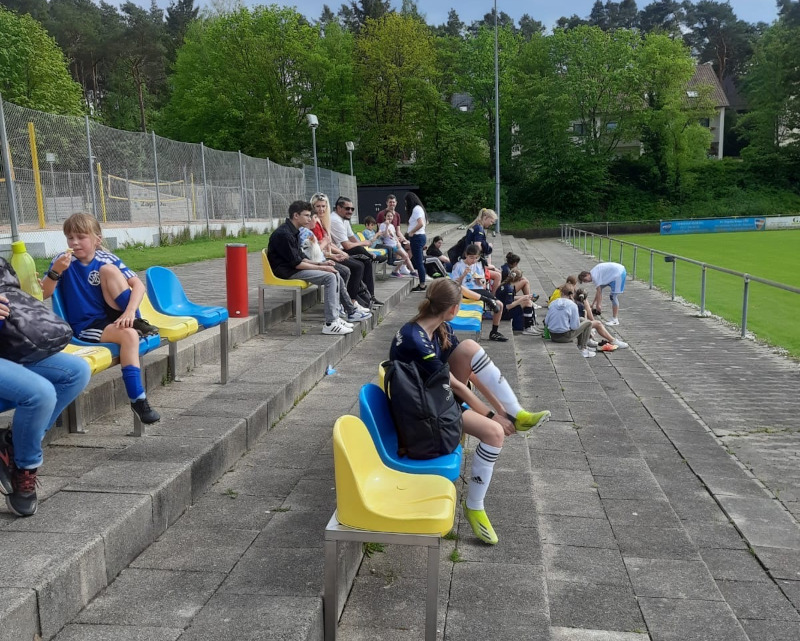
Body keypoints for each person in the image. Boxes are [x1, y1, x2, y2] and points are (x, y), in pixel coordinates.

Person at [389, 278, 551, 545]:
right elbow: (457, 389)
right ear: (453, 308)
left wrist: (504, 410)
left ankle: (518, 413)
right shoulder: (415, 341)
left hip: (434, 399)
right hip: (422, 414)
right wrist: (492, 417)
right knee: (494, 433)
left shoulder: (439, 327)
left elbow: (472, 375)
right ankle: (475, 506)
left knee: (469, 348)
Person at [42, 213, 161, 424]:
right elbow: (43, 293)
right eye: (70, 237)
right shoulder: (62, 261)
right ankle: (138, 400)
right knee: (130, 338)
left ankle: (135, 321)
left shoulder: (106, 259)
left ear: (97, 239)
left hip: (119, 314)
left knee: (109, 270)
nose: (74, 242)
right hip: (87, 325)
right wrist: (56, 271)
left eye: (81, 237)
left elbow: (138, 285)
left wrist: (130, 312)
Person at [0, 288, 91, 517]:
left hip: (6, 348)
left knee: (76, 371)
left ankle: (13, 444)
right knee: (40, 393)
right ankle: (25, 466)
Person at [267, 201, 354, 335]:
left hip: (294, 268)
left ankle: (335, 317)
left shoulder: (293, 231)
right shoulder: (284, 234)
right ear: (296, 215)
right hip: (286, 272)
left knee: (334, 273)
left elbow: (300, 257)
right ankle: (330, 323)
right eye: (307, 215)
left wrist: (322, 264)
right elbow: (296, 263)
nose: (309, 218)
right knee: (330, 276)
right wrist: (322, 269)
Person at [299, 212, 371, 325]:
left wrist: (331, 256)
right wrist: (323, 264)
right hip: (304, 266)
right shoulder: (302, 233)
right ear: (296, 216)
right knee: (336, 274)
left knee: (348, 269)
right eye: (312, 217)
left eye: (312, 217)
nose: (314, 219)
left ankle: (348, 307)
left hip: (318, 260)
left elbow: (314, 253)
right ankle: (336, 316)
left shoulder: (309, 231)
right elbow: (307, 257)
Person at [310, 194, 373, 315]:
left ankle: (358, 299)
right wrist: (335, 254)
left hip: (327, 255)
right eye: (318, 206)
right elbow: (316, 247)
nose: (321, 209)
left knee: (361, 263)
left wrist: (341, 252)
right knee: (352, 268)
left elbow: (329, 243)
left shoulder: (323, 221)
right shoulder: (314, 222)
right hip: (320, 258)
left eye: (323, 206)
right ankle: (349, 302)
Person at [330, 196, 383, 307]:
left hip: (341, 250)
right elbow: (347, 245)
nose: (350, 211)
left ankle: (369, 296)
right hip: (336, 253)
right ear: (339, 208)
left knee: (366, 261)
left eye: (352, 209)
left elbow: (352, 238)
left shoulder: (344, 219)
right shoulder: (335, 220)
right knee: (359, 265)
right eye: (347, 208)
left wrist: (363, 247)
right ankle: (353, 300)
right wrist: (363, 243)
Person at [451, 244, 507, 342]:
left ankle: (494, 332)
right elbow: (455, 284)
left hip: (478, 291)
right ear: (466, 255)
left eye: (476, 258)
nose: (473, 260)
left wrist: (480, 280)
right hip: (464, 291)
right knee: (462, 288)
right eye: (471, 257)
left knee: (500, 305)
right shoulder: (458, 266)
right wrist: (463, 275)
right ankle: (487, 300)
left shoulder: (478, 265)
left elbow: (482, 284)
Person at [498, 269, 539, 336]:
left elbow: (508, 298)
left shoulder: (505, 284)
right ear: (519, 280)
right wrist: (522, 298)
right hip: (503, 313)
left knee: (527, 301)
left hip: (501, 310)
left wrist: (525, 296)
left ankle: (531, 325)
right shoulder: (509, 289)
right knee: (527, 303)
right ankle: (528, 327)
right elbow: (508, 306)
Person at [377, 210, 416, 278]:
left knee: (406, 255)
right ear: (385, 217)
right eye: (388, 216)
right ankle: (401, 271)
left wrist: (398, 241)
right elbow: (385, 236)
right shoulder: (383, 225)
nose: (389, 217)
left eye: (391, 216)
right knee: (405, 256)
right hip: (390, 245)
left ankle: (409, 271)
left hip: (395, 244)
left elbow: (394, 236)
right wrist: (386, 226)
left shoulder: (392, 226)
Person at [405, 192, 428, 292]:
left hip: (417, 237)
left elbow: (421, 223)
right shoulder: (420, 209)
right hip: (419, 237)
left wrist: (411, 232)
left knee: (419, 262)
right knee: (419, 261)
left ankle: (422, 284)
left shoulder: (416, 209)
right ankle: (422, 282)